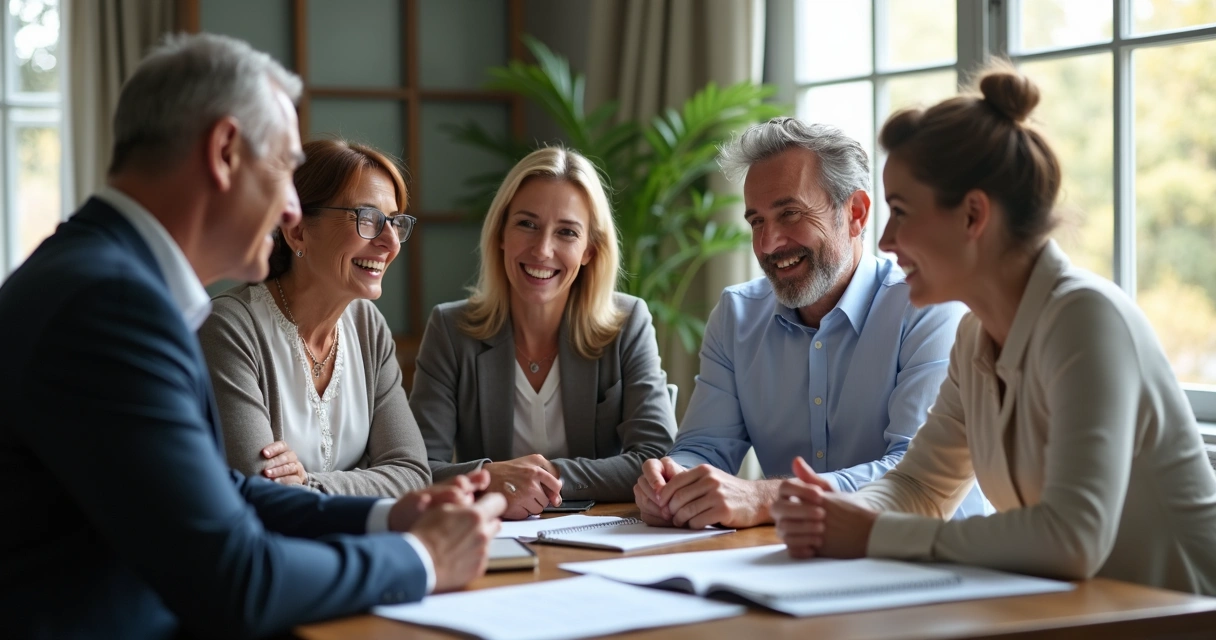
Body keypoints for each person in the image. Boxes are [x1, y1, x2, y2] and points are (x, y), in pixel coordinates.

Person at [0, 33, 504, 639]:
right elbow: (235, 577)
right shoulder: (114, 305)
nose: (293, 210)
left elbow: (223, 493)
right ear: (225, 151)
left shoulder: (103, 275)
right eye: (287, 171)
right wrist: (424, 560)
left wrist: (387, 515)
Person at [770, 64, 1216, 595]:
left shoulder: (1086, 320)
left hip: (1180, 619)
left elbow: (1072, 538)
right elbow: (919, 484)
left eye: (901, 212)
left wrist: (876, 533)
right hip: (1085, 618)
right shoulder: (975, 336)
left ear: (973, 216)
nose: (886, 241)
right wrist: (836, 513)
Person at [634, 117, 988, 530]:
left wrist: (766, 497)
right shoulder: (737, 315)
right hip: (798, 559)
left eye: (790, 214)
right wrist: (674, 479)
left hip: (932, 560)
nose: (768, 244)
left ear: (855, 213)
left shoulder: (927, 307)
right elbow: (705, 448)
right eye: (757, 222)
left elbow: (913, 475)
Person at [411, 146, 676, 519]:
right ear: (501, 232)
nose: (542, 249)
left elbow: (655, 459)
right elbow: (417, 467)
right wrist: (491, 475)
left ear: (589, 250)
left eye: (566, 232)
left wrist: (543, 477)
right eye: (527, 224)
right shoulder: (451, 330)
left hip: (601, 534)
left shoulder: (628, 322)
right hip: (492, 536)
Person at [200, 138, 430, 496]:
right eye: (367, 218)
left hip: (360, 542)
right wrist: (370, 480)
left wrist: (310, 483)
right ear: (297, 231)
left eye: (395, 222)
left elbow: (413, 473)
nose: (390, 242)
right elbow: (263, 491)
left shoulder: (369, 328)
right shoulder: (229, 328)